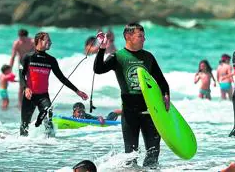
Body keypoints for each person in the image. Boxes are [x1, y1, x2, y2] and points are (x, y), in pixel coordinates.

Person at [94, 23, 170, 168]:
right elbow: (98, 69)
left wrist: (166, 95)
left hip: (151, 111)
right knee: (131, 155)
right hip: (129, 112)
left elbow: (161, 81)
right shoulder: (118, 56)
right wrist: (102, 48)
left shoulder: (148, 57)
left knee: (153, 153)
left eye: (144, 36)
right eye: (140, 36)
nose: (144, 39)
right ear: (128, 36)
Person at [19, 32, 88, 136]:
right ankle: (23, 146)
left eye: (50, 41)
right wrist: (26, 88)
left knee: (48, 121)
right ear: (39, 41)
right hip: (29, 96)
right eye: (48, 40)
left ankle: (51, 145)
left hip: (43, 96)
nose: (50, 43)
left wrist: (77, 91)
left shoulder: (51, 60)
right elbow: (21, 75)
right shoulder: (28, 57)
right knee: (25, 124)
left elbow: (61, 77)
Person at [8, 28, 34, 108]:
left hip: (31, 64)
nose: (21, 39)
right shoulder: (17, 43)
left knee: (31, 84)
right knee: (22, 85)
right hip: (21, 64)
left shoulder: (32, 42)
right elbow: (13, 56)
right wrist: (9, 70)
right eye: (20, 37)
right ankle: (20, 103)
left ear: (27, 36)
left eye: (22, 38)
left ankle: (31, 102)